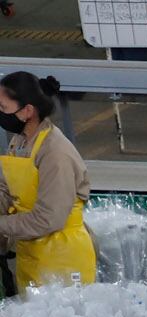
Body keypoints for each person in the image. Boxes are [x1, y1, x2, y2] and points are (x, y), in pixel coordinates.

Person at [0, 72, 95, 287]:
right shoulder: (20, 141)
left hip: (62, 258)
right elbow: (7, 190)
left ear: (27, 111)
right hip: (32, 253)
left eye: (3, 108)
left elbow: (47, 219)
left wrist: (2, 225)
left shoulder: (55, 153)